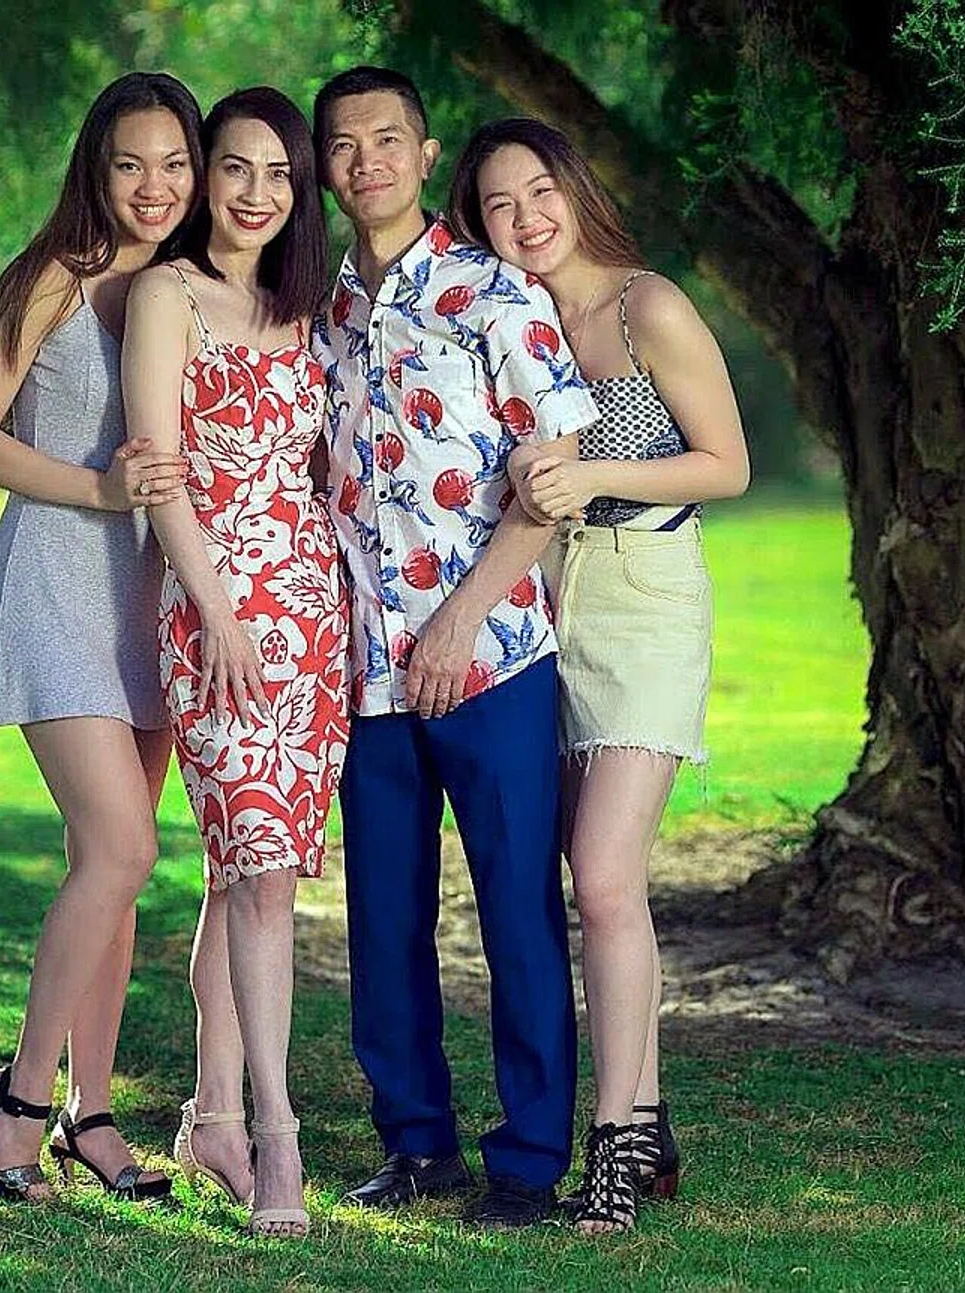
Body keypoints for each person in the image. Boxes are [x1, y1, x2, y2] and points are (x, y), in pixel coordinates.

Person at [310, 67, 603, 1229]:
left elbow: (557, 475)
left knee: (518, 912)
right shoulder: (319, 309)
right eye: (343, 143)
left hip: (491, 663)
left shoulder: (496, 292)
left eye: (389, 137)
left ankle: (528, 1162)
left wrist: (460, 620)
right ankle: (415, 1144)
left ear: (424, 154)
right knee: (384, 920)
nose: (366, 158)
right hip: (366, 674)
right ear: (326, 168)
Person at [450, 117, 750, 1233]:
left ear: (575, 188)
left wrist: (591, 469)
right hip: (542, 597)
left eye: (540, 192)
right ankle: (650, 1113)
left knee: (605, 874)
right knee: (575, 870)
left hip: (646, 595)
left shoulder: (646, 306)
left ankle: (615, 1146)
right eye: (497, 205)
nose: (525, 220)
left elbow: (727, 463)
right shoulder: (509, 317)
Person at [0, 72, 203, 1205]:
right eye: (131, 163)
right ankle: (21, 1106)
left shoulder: (190, 289)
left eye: (176, 165)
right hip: (55, 578)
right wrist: (98, 493)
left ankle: (93, 1114)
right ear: (96, 168)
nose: (155, 187)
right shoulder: (54, 275)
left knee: (111, 869)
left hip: (149, 595)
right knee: (122, 850)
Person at [122, 86, 346, 1239]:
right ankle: (276, 1139)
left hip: (313, 620)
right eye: (236, 169)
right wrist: (216, 611)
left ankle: (209, 1115)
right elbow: (159, 472)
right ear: (206, 176)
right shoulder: (168, 295)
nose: (256, 194)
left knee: (250, 871)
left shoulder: (309, 305)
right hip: (216, 617)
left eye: (279, 175)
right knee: (258, 874)